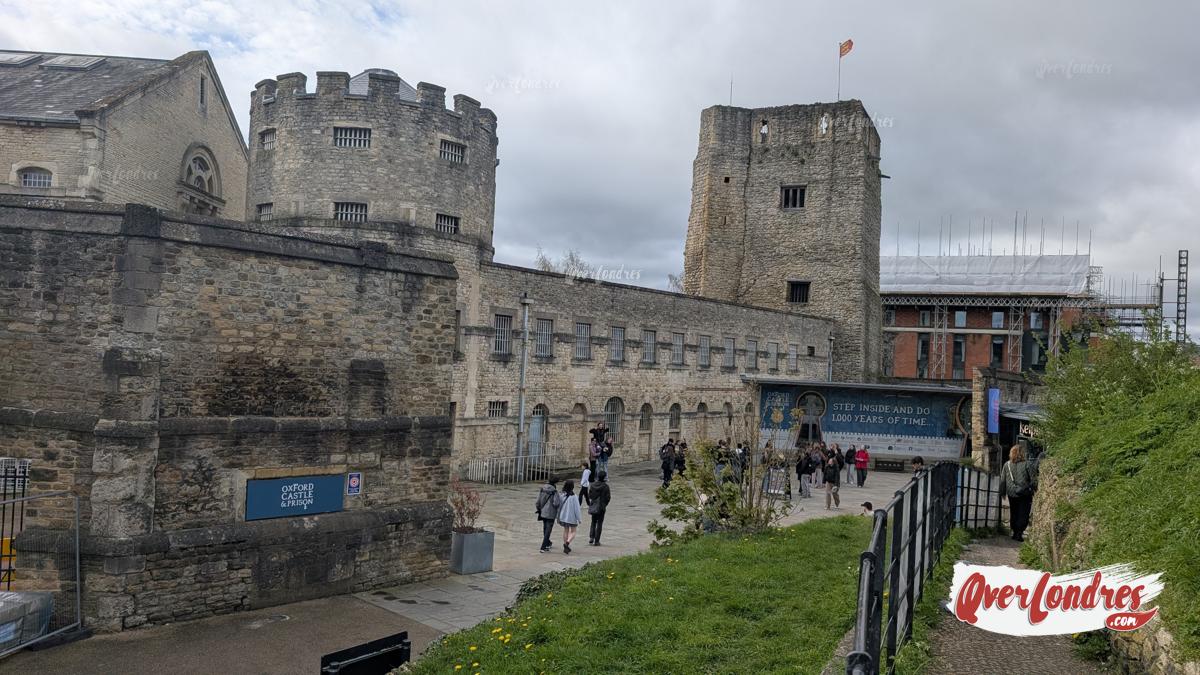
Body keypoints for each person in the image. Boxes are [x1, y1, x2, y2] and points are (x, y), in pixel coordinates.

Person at [999, 445, 1036, 541]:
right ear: (1022, 453)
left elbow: (1003, 480)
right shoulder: (1027, 464)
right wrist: (1033, 488)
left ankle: (1015, 531)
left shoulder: (1006, 465)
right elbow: (1033, 480)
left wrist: (1002, 492)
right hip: (1024, 493)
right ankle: (1019, 533)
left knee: (1014, 512)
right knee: (1023, 513)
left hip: (1012, 493)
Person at [535, 478, 563, 553]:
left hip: (543, 511)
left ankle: (548, 542)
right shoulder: (554, 491)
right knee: (548, 529)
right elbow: (556, 503)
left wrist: (539, 508)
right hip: (551, 513)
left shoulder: (542, 489)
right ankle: (544, 546)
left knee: (545, 528)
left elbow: (538, 501)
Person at [557, 480, 582, 554]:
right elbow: (577, 508)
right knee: (573, 531)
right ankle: (567, 543)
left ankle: (565, 545)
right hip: (572, 517)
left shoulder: (562, 495)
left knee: (566, 530)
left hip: (563, 516)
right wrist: (579, 518)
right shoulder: (574, 497)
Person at [587, 471, 610, 545]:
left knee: (593, 522)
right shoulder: (605, 486)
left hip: (594, 505)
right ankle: (597, 540)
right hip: (602, 507)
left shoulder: (593, 485)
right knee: (599, 523)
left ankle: (591, 537)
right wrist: (604, 504)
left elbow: (590, 495)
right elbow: (608, 498)